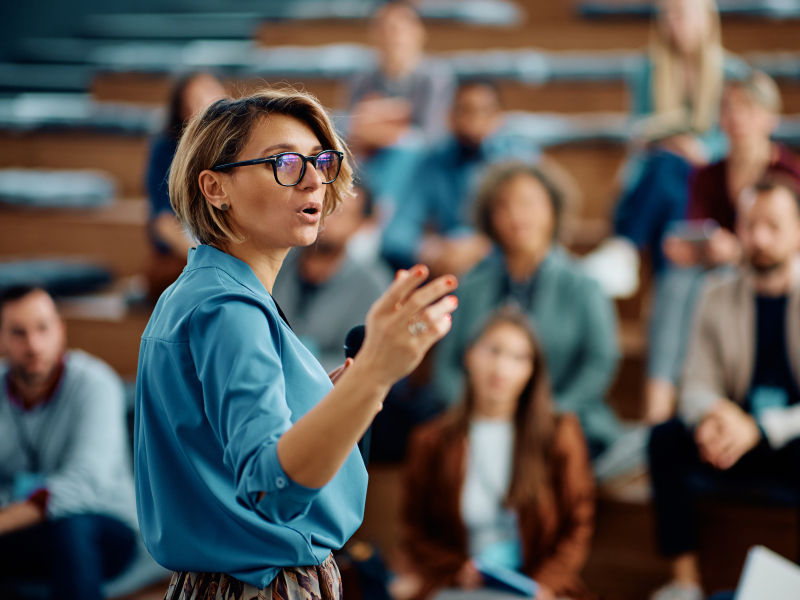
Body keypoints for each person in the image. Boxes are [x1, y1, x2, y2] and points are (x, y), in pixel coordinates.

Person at [135, 88, 460, 599]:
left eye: (320, 161)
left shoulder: (203, 289)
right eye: (284, 162)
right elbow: (273, 490)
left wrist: (343, 392)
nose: (313, 180)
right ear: (215, 187)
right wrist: (375, 373)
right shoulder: (229, 309)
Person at [648, 176, 800, 600]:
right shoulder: (715, 293)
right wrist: (715, 417)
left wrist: (760, 428)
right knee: (664, 439)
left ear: (797, 232)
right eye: (750, 225)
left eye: (774, 226)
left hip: (787, 439)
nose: (760, 238)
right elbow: (695, 383)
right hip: (730, 439)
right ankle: (685, 583)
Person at [403, 308, 595, 600]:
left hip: (538, 588)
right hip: (462, 586)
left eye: (519, 358)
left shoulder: (559, 434)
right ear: (469, 355)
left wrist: (545, 586)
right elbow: (415, 531)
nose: (502, 367)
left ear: (532, 371)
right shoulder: (431, 441)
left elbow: (578, 523)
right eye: (493, 351)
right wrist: (456, 570)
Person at [434, 162, 622, 460]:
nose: (516, 214)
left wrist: (545, 414)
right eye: (503, 205)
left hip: (561, 420)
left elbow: (599, 364)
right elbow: (447, 366)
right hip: (476, 422)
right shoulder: (470, 287)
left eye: (528, 202)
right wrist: (479, 412)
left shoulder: (584, 286)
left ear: (553, 209)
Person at [646, 72, 800, 423]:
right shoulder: (708, 175)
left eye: (748, 108)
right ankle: (659, 404)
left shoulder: (789, 174)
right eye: (728, 108)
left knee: (705, 286)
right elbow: (698, 229)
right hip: (719, 269)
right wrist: (690, 248)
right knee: (677, 282)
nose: (736, 117)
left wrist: (740, 250)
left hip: (770, 270)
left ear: (770, 117)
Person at [584, 0, 749, 297]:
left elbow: (734, 136)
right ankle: (665, 284)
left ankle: (626, 247)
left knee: (670, 177)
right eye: (668, 15)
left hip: (708, 175)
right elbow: (638, 131)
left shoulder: (731, 72)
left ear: (706, 18)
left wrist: (698, 149)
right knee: (671, 177)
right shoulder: (646, 70)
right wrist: (670, 143)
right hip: (662, 172)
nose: (675, 22)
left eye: (683, 14)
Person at [0, 286, 138, 600]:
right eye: (18, 333)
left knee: (71, 524)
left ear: (61, 330)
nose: (34, 345)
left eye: (43, 328)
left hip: (102, 524)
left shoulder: (96, 384)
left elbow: (84, 483)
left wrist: (5, 519)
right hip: (24, 527)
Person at [381, 79, 540, 275]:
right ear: (449, 116)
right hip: (445, 266)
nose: (473, 120)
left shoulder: (518, 160)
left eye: (484, 111)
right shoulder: (433, 162)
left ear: (499, 117)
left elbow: (533, 227)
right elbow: (397, 232)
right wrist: (428, 249)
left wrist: (482, 247)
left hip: (503, 267)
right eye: (464, 110)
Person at [346, 1, 456, 217]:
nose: (391, 36)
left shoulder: (435, 77)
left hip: (419, 164)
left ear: (419, 32)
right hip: (370, 158)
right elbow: (352, 131)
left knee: (408, 149)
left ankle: (378, 216)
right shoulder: (361, 79)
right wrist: (395, 120)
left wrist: (379, 126)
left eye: (398, 28)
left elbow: (431, 137)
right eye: (383, 28)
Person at [273, 184, 391, 372]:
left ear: (360, 224)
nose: (327, 218)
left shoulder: (371, 284)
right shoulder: (275, 260)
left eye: (340, 212)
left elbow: (359, 361)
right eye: (323, 206)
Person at [145, 72, 227, 302]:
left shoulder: (238, 145)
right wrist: (207, 257)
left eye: (214, 92)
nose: (212, 102)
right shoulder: (166, 151)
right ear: (183, 112)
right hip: (187, 254)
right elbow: (163, 223)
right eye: (199, 99)